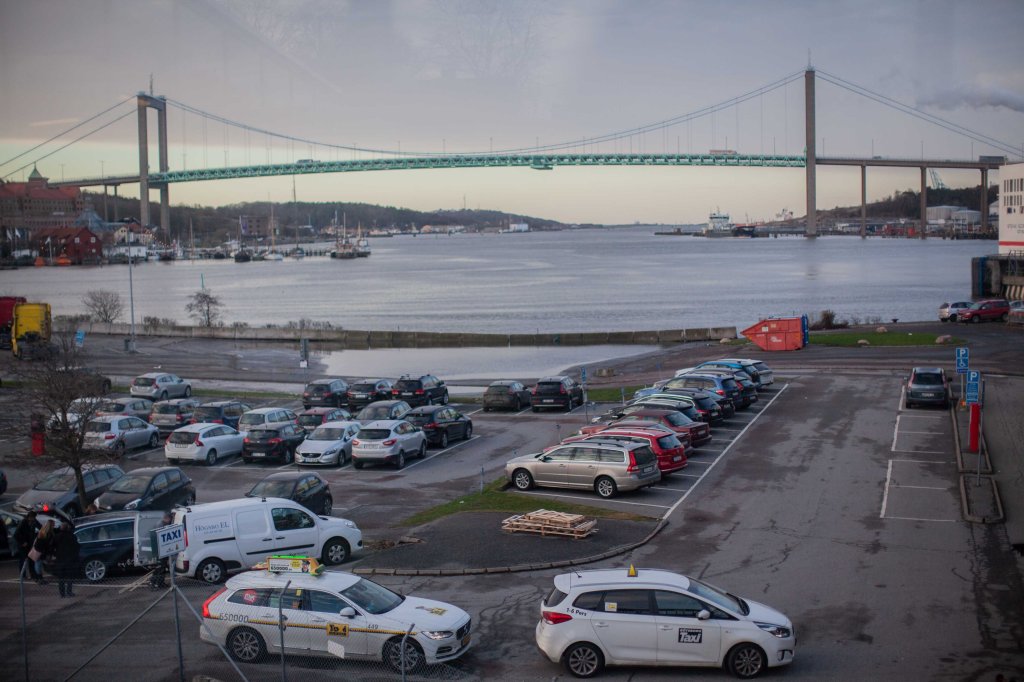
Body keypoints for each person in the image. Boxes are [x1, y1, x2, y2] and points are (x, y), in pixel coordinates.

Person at [53, 522, 80, 598]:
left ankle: (62, 593)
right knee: (69, 577)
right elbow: (76, 547)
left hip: (60, 559)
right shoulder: (72, 536)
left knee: (61, 577)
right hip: (70, 559)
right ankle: (69, 592)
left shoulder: (57, 536)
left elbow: (52, 546)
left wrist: (55, 554)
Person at [149, 511, 174, 589]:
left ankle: (157, 582)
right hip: (160, 551)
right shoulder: (160, 525)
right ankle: (157, 583)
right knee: (161, 568)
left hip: (161, 550)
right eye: (170, 519)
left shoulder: (162, 523)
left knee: (160, 568)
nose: (170, 521)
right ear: (167, 518)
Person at [14, 511, 40, 582]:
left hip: (29, 544)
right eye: (33, 518)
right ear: (30, 517)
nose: (34, 519)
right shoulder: (23, 522)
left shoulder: (33, 522)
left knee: (31, 560)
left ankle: (33, 575)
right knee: (23, 560)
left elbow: (39, 526)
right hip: (23, 545)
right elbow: (16, 534)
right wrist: (22, 542)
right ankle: (23, 575)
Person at [31, 519, 55, 584]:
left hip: (39, 550)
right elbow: (44, 543)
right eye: (53, 524)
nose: (54, 526)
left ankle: (39, 578)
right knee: (38, 564)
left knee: (38, 564)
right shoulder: (47, 533)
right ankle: (39, 579)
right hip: (40, 551)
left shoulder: (43, 531)